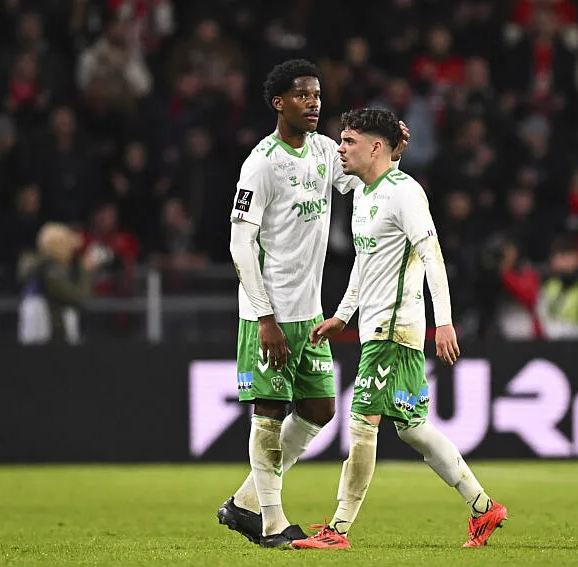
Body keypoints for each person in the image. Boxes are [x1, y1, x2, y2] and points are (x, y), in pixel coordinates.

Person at [291, 109, 506, 550]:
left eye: (348, 141)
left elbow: (432, 255)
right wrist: (343, 315)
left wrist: (443, 321)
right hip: (376, 326)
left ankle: (339, 530)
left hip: (393, 330)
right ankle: (484, 508)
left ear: (375, 147)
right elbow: (363, 264)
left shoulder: (405, 194)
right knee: (411, 428)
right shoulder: (366, 194)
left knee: (361, 426)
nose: (340, 149)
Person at [218, 60, 410, 548]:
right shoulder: (261, 163)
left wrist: (391, 151)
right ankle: (272, 524)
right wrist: (264, 317)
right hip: (270, 316)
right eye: (303, 95)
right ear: (279, 102)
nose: (314, 103)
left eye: (318, 95)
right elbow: (241, 244)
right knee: (267, 415)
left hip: (310, 314)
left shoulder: (326, 151)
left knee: (321, 409)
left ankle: (244, 503)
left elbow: (368, 178)